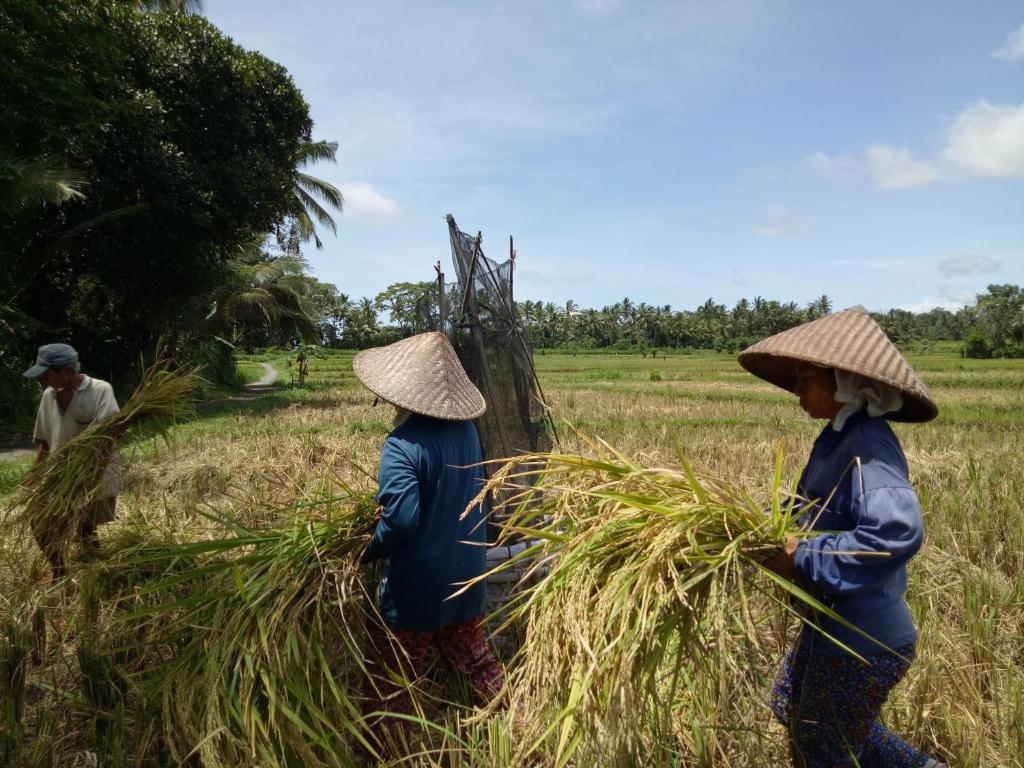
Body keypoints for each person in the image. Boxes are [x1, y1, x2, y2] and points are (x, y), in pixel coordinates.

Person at [738, 309, 948, 768]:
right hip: (830, 623)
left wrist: (805, 556)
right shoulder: (834, 439)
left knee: (825, 748)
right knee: (792, 707)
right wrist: (754, 532)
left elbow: (895, 530)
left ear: (844, 382)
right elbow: (803, 514)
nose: (796, 391)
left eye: (805, 378)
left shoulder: (868, 443)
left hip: (864, 636)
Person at [352, 332, 504, 747]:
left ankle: (393, 751)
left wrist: (365, 551)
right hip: (469, 571)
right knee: (477, 661)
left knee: (394, 679)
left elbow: (401, 520)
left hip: (418, 585)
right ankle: (520, 728)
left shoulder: (401, 445)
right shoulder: (467, 432)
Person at [23, 343, 121, 578]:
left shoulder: (100, 390)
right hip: (59, 476)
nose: (45, 379)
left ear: (66, 370)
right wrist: (35, 472)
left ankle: (98, 576)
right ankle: (59, 571)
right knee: (38, 521)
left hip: (95, 474)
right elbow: (45, 442)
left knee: (84, 530)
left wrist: (87, 474)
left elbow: (109, 437)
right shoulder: (49, 395)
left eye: (48, 374)